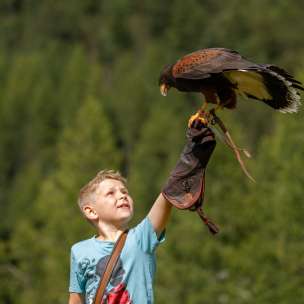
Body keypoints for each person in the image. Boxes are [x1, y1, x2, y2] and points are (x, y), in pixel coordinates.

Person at [68, 118, 216, 304]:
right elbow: (75, 299)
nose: (122, 196)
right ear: (91, 211)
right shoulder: (79, 251)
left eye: (125, 192)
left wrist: (193, 152)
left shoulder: (142, 238)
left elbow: (167, 196)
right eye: (111, 193)